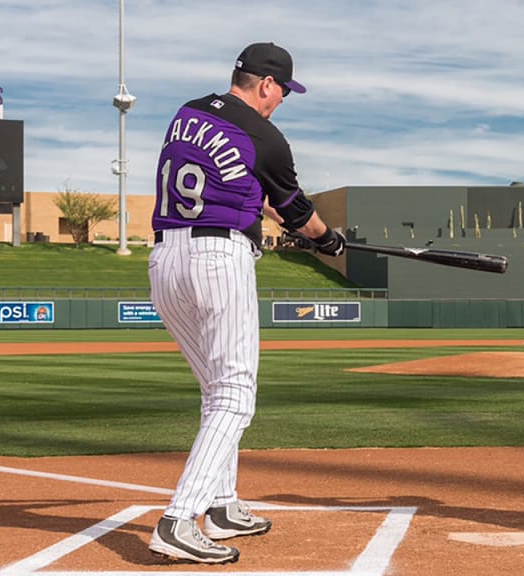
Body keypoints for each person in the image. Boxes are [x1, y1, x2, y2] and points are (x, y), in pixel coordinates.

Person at [147, 42, 345, 564]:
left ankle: (222, 504)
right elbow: (298, 210)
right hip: (218, 260)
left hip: (166, 260)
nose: (282, 101)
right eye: (282, 91)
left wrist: (268, 211)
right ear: (265, 84)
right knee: (235, 395)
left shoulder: (187, 113)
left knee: (217, 390)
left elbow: (225, 182)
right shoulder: (268, 137)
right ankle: (178, 520)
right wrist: (327, 240)